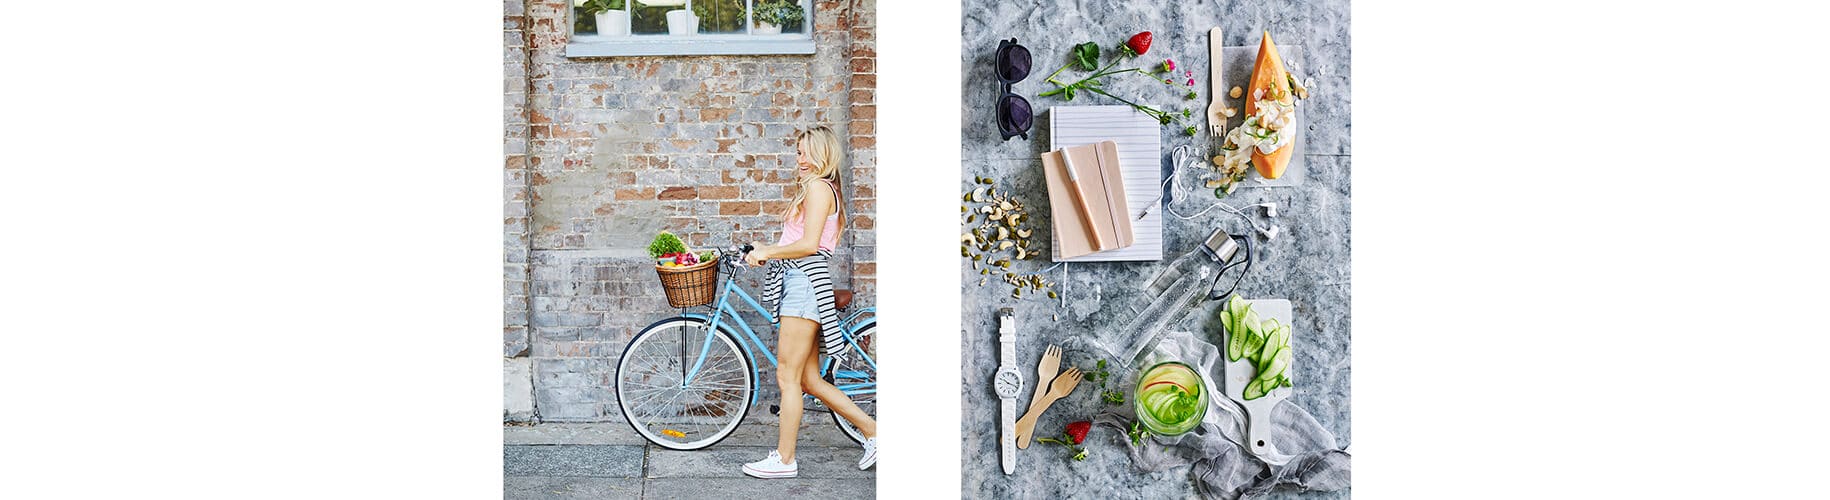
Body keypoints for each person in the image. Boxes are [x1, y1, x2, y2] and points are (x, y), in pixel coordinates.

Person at [739, 126, 877, 479]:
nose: (799, 159)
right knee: (809, 381)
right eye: (798, 152)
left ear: (822, 154)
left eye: (805, 152)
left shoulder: (818, 187)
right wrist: (766, 250)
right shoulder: (821, 188)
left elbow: (810, 244)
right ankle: (876, 432)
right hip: (801, 282)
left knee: (787, 376)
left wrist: (769, 251)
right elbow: (800, 240)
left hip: (803, 285)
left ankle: (785, 460)